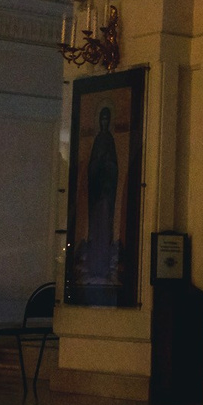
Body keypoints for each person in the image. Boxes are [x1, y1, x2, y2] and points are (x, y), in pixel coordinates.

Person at [82, 106, 118, 284]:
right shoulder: (98, 140)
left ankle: (103, 267)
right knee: (95, 230)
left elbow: (115, 168)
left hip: (106, 194)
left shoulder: (110, 140)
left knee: (104, 230)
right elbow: (91, 167)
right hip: (96, 194)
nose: (104, 122)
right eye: (102, 119)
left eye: (106, 119)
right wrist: (97, 162)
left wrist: (107, 163)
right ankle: (93, 266)